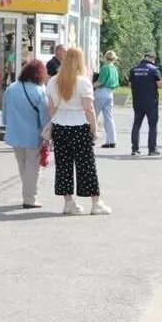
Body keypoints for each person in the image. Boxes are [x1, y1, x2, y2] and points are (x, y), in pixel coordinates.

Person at [47, 46, 111, 215]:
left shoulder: (53, 80)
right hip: (80, 126)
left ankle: (69, 202)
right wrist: (94, 128)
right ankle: (95, 203)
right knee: (87, 165)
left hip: (60, 126)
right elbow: (89, 108)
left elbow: (51, 107)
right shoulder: (83, 82)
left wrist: (53, 125)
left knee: (63, 166)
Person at [2, 59, 50, 209]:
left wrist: (8, 125)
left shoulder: (11, 89)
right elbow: (44, 116)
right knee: (32, 166)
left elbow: (5, 113)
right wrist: (47, 136)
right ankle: (30, 198)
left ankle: (27, 193)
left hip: (14, 133)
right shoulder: (40, 91)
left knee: (22, 164)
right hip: (33, 135)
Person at [129, 52, 162, 156]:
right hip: (151, 102)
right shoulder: (154, 69)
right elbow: (160, 85)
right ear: (153, 59)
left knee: (136, 124)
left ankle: (134, 149)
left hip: (137, 101)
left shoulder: (134, 69)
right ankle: (152, 149)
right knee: (152, 125)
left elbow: (130, 85)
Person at [94, 50, 120, 148]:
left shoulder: (105, 67)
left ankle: (91, 137)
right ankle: (111, 140)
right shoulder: (115, 69)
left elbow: (100, 81)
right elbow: (117, 83)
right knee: (109, 117)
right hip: (110, 92)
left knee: (93, 115)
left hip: (101, 92)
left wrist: (91, 86)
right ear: (114, 59)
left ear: (106, 57)